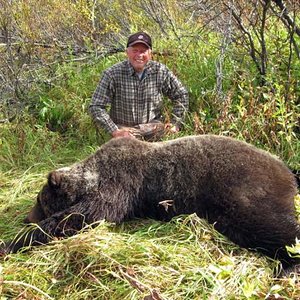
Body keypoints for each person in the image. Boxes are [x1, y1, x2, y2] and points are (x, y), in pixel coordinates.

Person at [89, 31, 189, 141]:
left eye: (143, 51)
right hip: (125, 132)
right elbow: (96, 106)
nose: (139, 55)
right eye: (135, 51)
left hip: (154, 129)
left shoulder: (161, 71)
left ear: (150, 53)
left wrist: (175, 123)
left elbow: (181, 94)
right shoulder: (112, 74)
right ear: (127, 52)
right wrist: (114, 130)